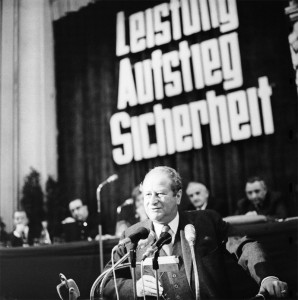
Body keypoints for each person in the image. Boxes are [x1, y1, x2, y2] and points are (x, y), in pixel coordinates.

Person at [102, 166, 288, 300]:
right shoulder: (133, 235)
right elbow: (105, 283)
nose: (153, 201)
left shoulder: (206, 222)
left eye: (160, 193)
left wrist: (267, 276)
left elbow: (245, 245)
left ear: (178, 196)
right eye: (147, 195)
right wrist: (134, 288)